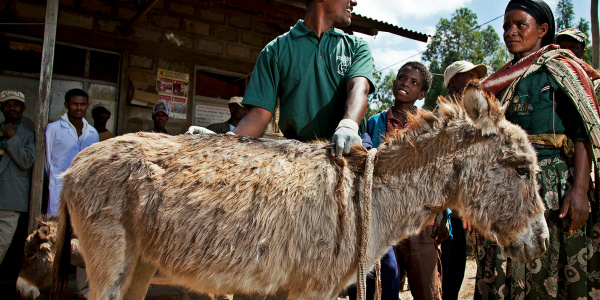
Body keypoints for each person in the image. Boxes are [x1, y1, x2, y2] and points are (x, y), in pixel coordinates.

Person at [188, 0, 398, 298]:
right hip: (299, 172)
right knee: (280, 262)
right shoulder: (277, 50)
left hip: (348, 162)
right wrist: (219, 144)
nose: (354, 2)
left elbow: (359, 88)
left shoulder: (354, 47)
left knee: (380, 266)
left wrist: (349, 124)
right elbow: (259, 116)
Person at [477, 0, 600, 298]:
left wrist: (580, 190)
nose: (511, 32)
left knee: (553, 268)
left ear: (543, 30)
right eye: (507, 26)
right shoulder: (499, 82)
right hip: (506, 187)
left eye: (521, 25)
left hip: (553, 184)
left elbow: (583, 131)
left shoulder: (562, 70)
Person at [367, 62, 447, 300]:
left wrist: (443, 213)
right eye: (402, 78)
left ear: (422, 94)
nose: (405, 83)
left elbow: (441, 170)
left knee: (427, 288)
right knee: (385, 286)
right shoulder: (375, 123)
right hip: (383, 218)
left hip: (421, 219)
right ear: (394, 83)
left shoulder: (431, 126)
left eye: (414, 82)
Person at [440, 61, 487, 300]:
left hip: (482, 204)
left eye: (475, 75)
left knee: (486, 267)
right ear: (452, 84)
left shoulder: (481, 112)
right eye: (467, 76)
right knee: (451, 263)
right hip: (454, 208)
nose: (474, 79)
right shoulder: (447, 117)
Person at [46, 88, 99, 217]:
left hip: (83, 189)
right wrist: (54, 180)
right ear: (66, 105)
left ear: (87, 105)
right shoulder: (54, 129)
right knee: (56, 227)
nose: (79, 107)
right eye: (75, 104)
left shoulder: (92, 133)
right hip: (58, 187)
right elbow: (47, 162)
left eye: (82, 104)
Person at [0, 90, 34, 265]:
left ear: (23, 108)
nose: (12, 108)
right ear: (1, 108)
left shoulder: (29, 135)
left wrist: (12, 137)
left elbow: (27, 161)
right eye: (7, 105)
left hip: (10, 202)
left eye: (16, 105)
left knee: (1, 245)